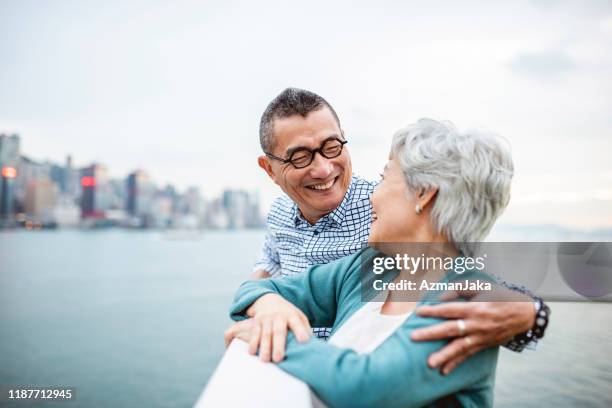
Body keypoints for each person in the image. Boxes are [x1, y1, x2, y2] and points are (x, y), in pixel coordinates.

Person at [246, 88, 549, 372]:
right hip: (283, 371)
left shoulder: (387, 215)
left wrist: (530, 313)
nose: (324, 169)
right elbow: (269, 262)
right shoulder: (279, 213)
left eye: (332, 146)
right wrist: (263, 301)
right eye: (300, 157)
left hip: (354, 376)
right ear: (269, 169)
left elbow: (463, 273)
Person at [226, 119, 516, 407]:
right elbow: (252, 292)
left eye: (383, 177)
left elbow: (365, 388)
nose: (371, 196)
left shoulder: (471, 302)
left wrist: (278, 339)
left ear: (424, 193)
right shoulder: (369, 267)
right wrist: (269, 305)